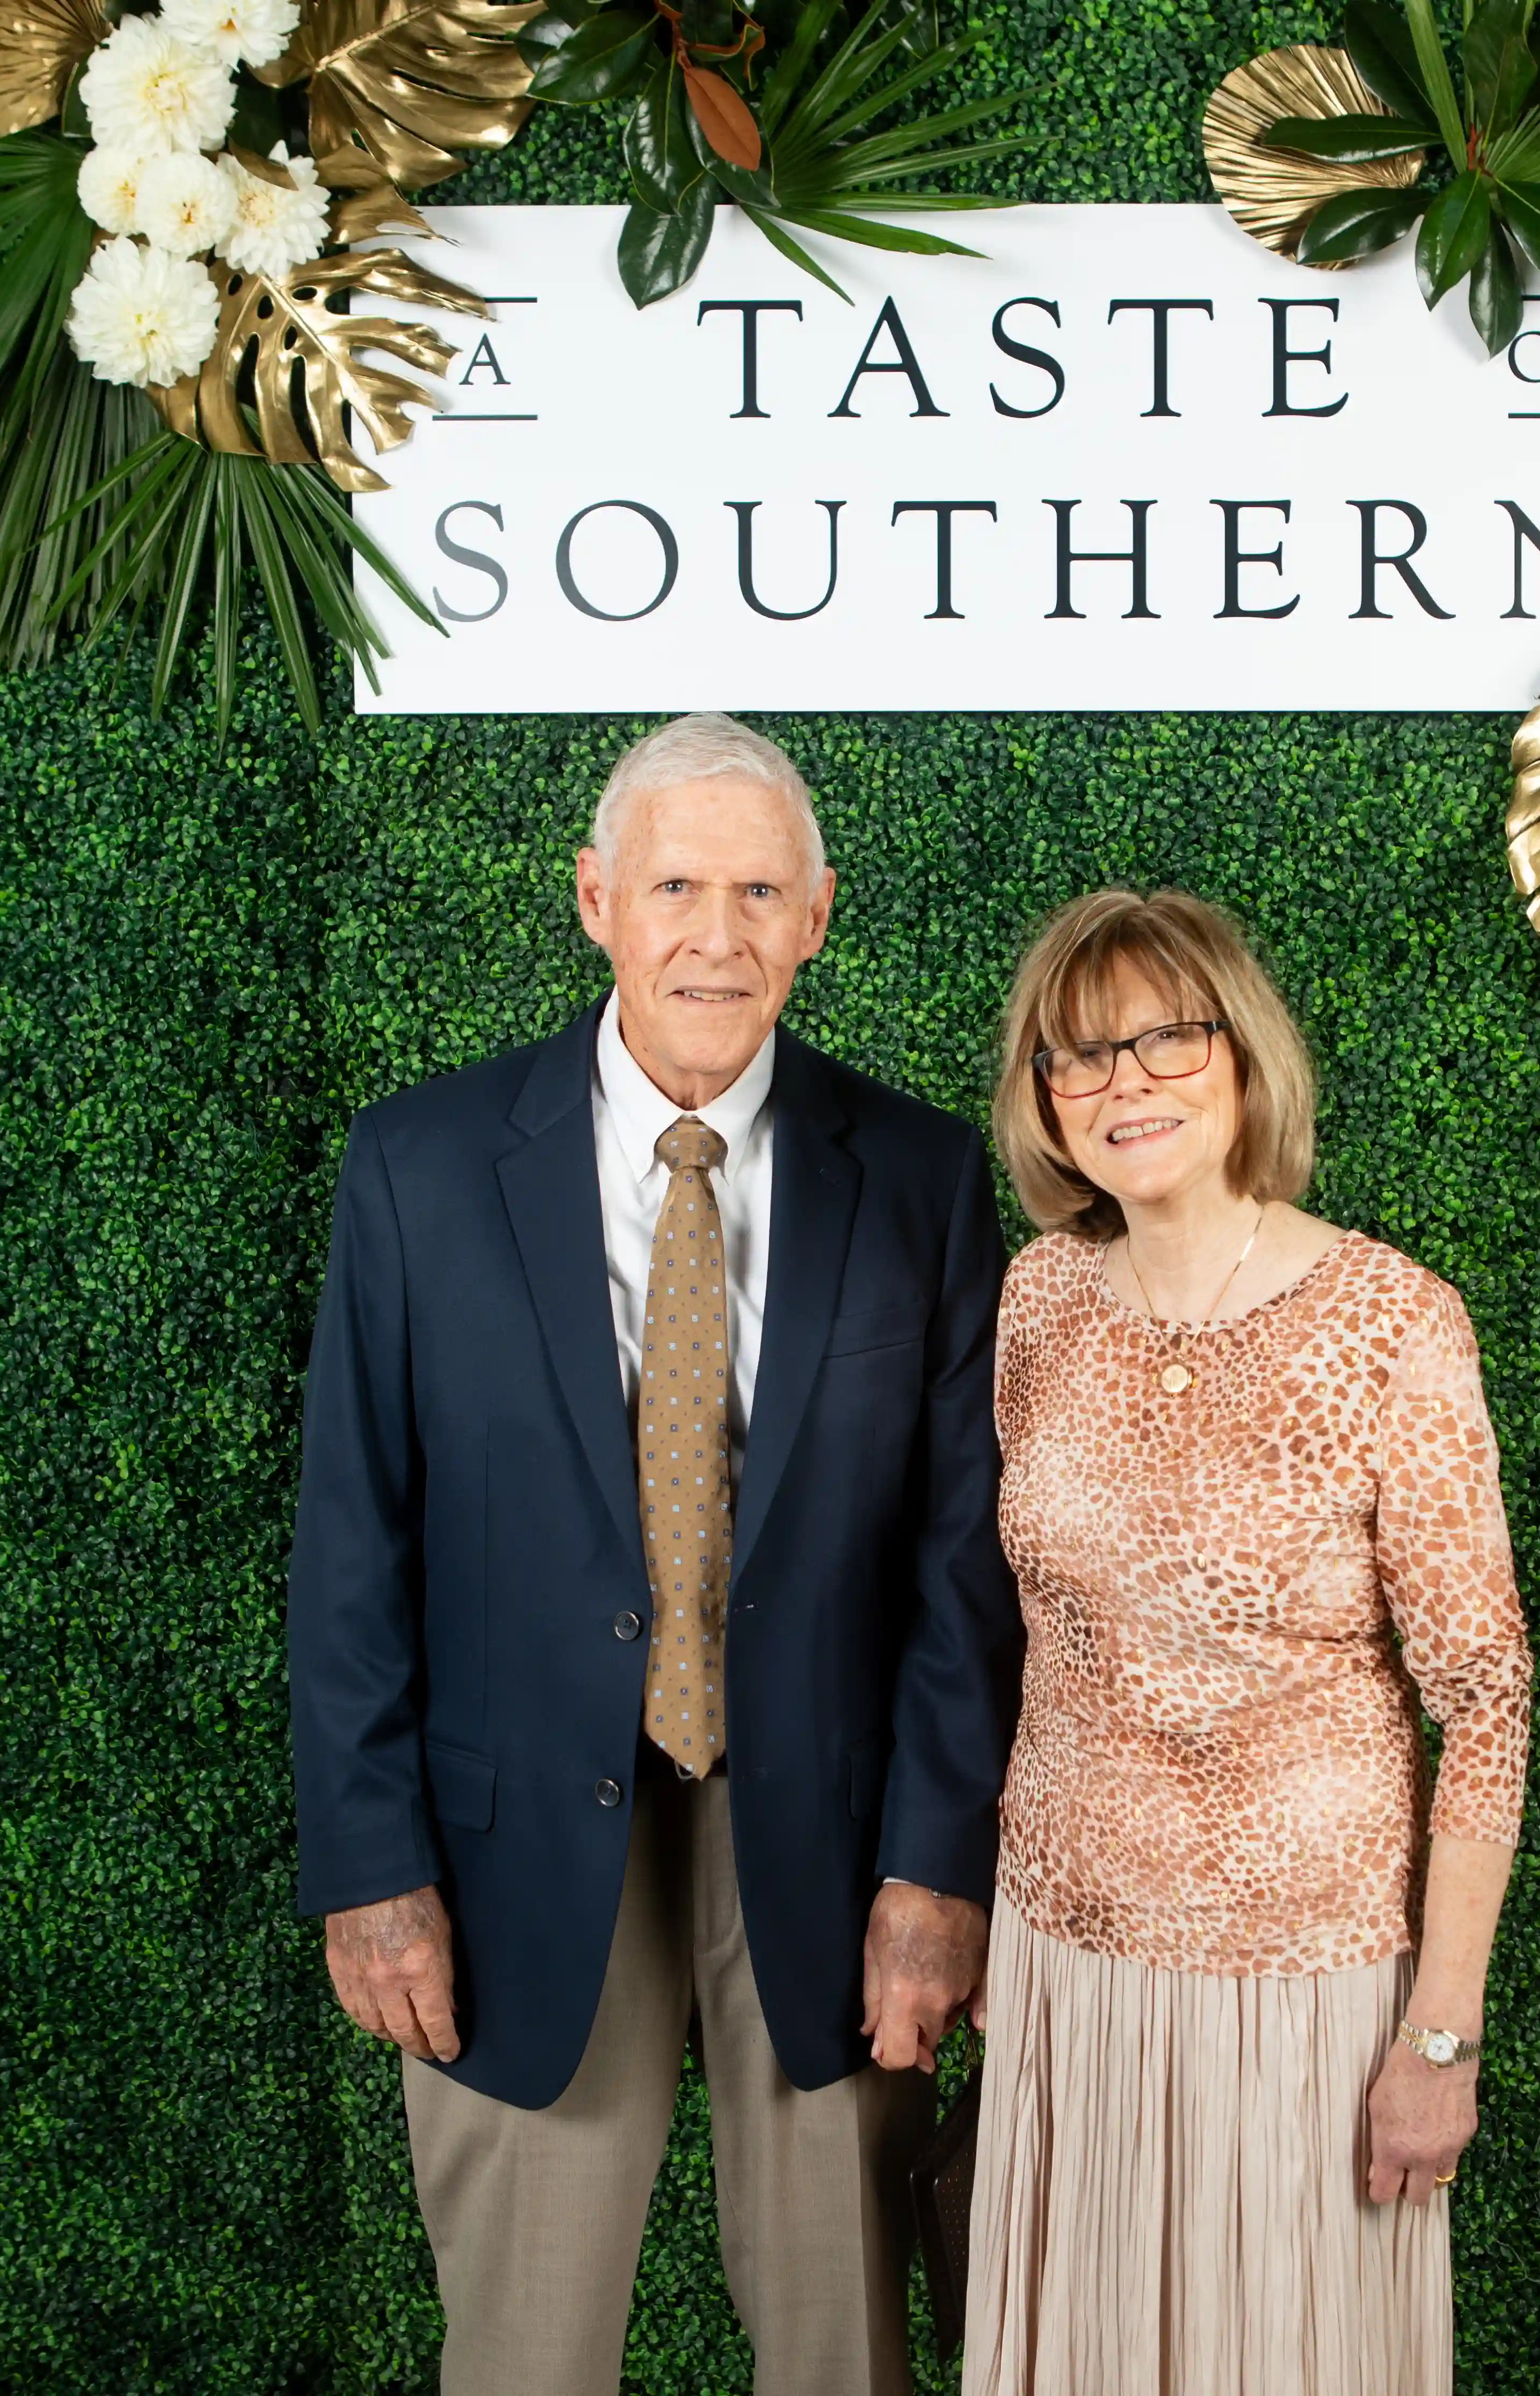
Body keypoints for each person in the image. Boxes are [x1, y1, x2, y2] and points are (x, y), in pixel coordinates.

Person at [286, 713, 1023, 2396]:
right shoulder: (418, 1168)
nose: (717, 931)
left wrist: (936, 1869)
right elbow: (354, 1540)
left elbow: (959, 1562)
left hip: (831, 1840)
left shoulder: (916, 1178)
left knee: (843, 2347)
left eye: (759, 890)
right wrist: (370, 1865)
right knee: (525, 2358)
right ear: (595, 898)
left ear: (819, 915)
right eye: (677, 884)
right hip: (505, 1839)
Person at [961, 888, 1533, 2396]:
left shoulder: (1393, 1324)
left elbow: (1483, 1703)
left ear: (1243, 1054)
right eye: (1078, 1057)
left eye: (1165, 1036)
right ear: (1042, 1104)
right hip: (1065, 1975)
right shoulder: (1035, 1305)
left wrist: (1438, 2043)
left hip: (1304, 1995)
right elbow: (1026, 1635)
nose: (1124, 1082)